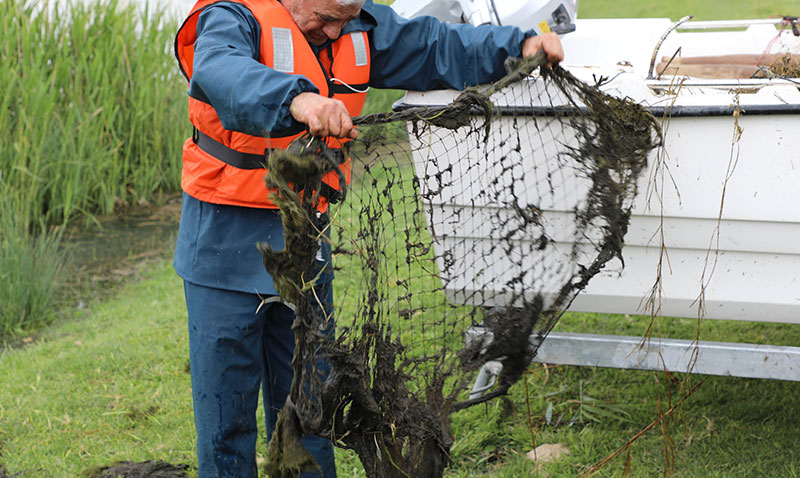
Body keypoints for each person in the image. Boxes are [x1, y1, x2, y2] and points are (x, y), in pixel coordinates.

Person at [173, 1, 564, 477]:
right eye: (328, 16)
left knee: (310, 411)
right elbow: (220, 70)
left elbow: (433, 46)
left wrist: (515, 45)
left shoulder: (350, 23)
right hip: (223, 237)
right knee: (225, 425)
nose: (339, 28)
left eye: (348, 14)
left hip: (305, 239)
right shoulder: (233, 16)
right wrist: (299, 100)